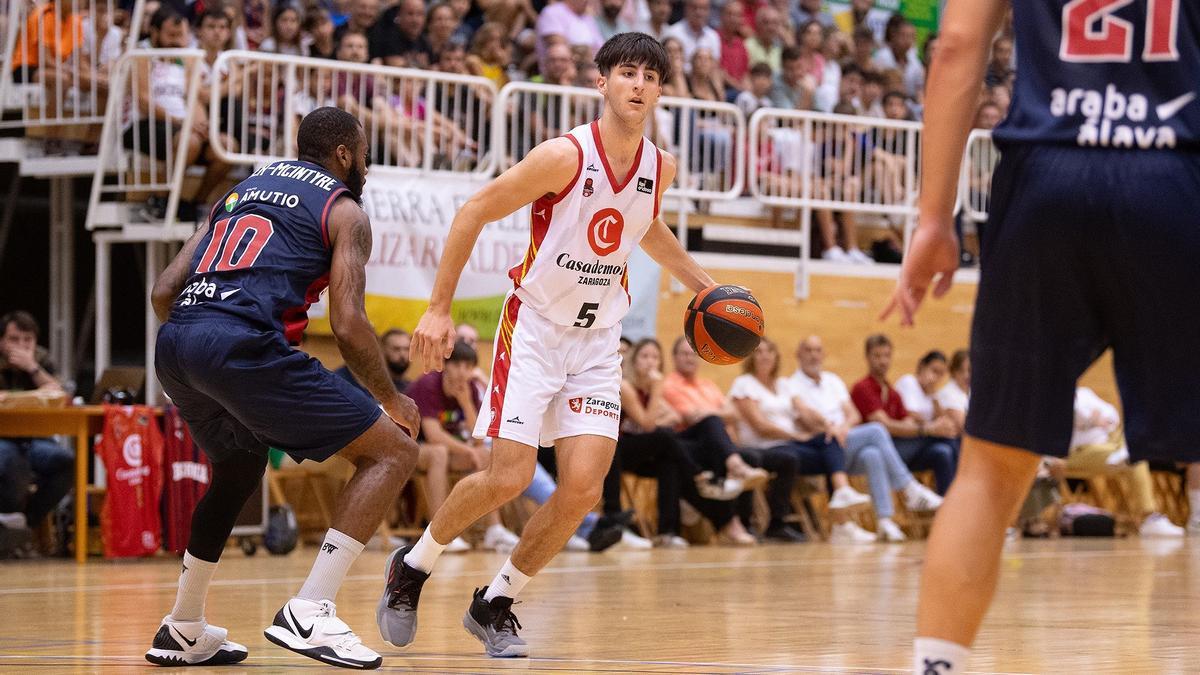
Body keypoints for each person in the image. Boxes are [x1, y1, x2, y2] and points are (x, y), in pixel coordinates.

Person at [380, 33, 730, 658]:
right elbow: (473, 211)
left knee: (583, 491)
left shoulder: (660, 167)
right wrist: (437, 308)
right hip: (536, 329)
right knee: (509, 477)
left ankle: (496, 601)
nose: (639, 85)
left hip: (598, 342)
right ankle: (414, 563)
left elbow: (645, 226)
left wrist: (703, 283)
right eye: (627, 72)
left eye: (651, 76)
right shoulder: (563, 156)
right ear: (601, 82)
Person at [882, 0, 1200, 672]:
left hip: (1044, 182)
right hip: (1176, 176)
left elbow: (957, 46)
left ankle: (936, 666)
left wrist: (934, 218)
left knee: (992, 465)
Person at [146, 107, 421, 669]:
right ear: (345, 153)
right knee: (393, 450)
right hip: (242, 346)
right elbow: (347, 324)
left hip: (175, 345)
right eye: (363, 152)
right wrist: (391, 398)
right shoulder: (344, 210)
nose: (364, 164)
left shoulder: (240, 192)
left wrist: (203, 339)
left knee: (240, 465)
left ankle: (184, 625)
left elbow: (163, 290)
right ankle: (311, 609)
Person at [789, 335, 943, 542]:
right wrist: (830, 427)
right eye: (808, 350)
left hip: (845, 441)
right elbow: (805, 417)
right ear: (798, 354)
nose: (813, 355)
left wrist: (842, 428)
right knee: (877, 430)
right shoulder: (792, 384)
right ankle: (908, 488)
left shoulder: (833, 381)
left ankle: (885, 521)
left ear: (824, 354)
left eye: (817, 350)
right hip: (820, 446)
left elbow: (853, 414)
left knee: (872, 454)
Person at [729, 339, 875, 543]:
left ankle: (842, 510)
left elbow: (805, 410)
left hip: (790, 445)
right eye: (759, 352)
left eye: (769, 351)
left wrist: (827, 424)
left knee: (829, 440)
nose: (764, 356)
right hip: (763, 447)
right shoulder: (744, 384)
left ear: (776, 356)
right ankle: (776, 524)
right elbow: (759, 425)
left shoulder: (783, 384)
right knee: (790, 458)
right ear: (750, 356)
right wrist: (794, 436)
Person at [664, 337, 802, 542]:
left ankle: (750, 523)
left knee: (758, 457)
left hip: (718, 445)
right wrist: (716, 414)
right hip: (689, 443)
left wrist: (711, 414)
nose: (690, 358)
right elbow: (692, 417)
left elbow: (733, 414)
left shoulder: (707, 385)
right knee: (712, 423)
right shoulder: (670, 385)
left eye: (693, 354)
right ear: (674, 358)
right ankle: (735, 471)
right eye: (684, 354)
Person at [405, 339, 522, 553]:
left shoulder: (468, 389)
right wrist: (469, 450)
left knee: (485, 455)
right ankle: (439, 533)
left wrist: (467, 403)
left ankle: (494, 530)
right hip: (406, 446)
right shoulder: (429, 384)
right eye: (457, 365)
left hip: (440, 452)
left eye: (468, 367)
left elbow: (478, 438)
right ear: (445, 365)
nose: (462, 372)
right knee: (439, 453)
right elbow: (434, 436)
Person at [851, 335, 958, 494]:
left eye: (887, 355)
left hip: (903, 450)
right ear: (867, 357)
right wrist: (928, 429)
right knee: (944, 436)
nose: (883, 361)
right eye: (877, 356)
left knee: (942, 451)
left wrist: (927, 427)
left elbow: (908, 422)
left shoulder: (893, 392)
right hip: (877, 452)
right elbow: (884, 427)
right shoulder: (863, 387)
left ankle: (948, 508)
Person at [0, 312, 73, 536]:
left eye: (27, 339)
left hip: (34, 440)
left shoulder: (40, 358)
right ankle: (9, 522)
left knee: (65, 461)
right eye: (14, 339)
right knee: (10, 459)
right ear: (1, 341)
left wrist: (31, 367)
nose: (21, 346)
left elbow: (61, 394)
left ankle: (25, 524)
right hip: (4, 439)